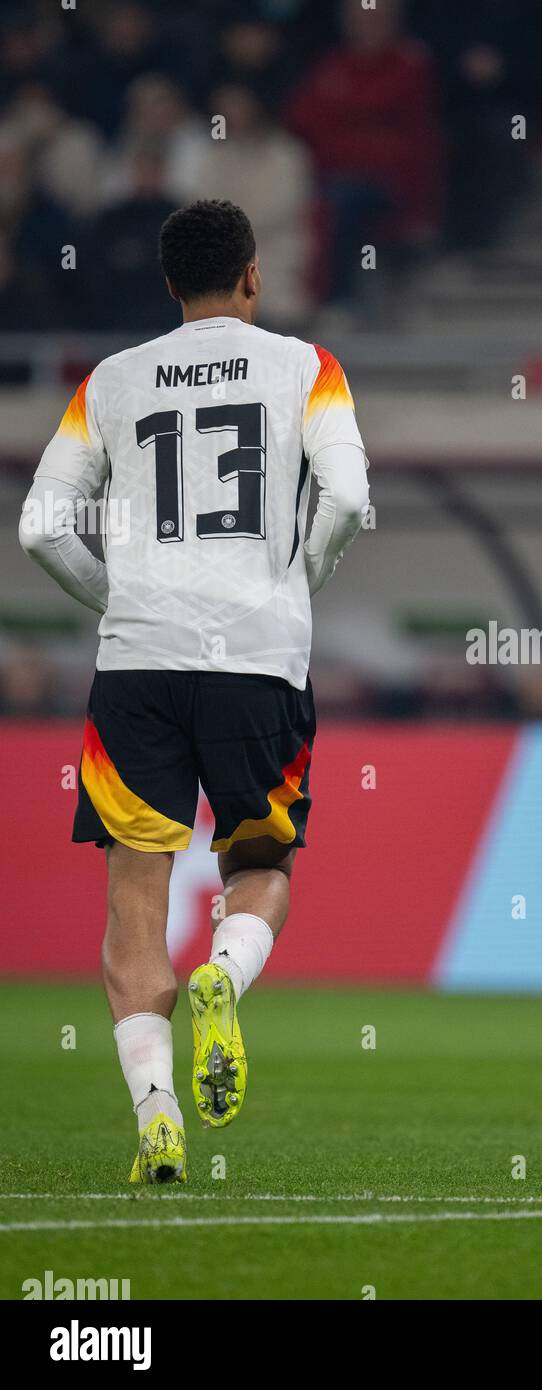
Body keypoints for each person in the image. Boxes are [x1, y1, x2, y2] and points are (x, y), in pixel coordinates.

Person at [18, 199, 370, 1185]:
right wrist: (301, 580)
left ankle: (157, 1118)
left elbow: (41, 527)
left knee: (135, 899)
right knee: (261, 864)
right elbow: (343, 497)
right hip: (256, 660)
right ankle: (224, 972)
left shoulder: (113, 380)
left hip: (139, 664)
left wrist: (118, 598)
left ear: (169, 287)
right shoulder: (308, 368)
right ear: (253, 276)